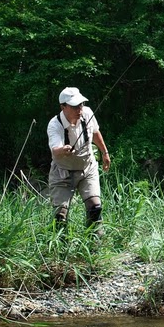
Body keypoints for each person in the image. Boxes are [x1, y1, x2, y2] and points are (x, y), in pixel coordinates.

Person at [47, 87, 111, 235]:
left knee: (95, 208)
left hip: (88, 168)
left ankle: (95, 247)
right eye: (75, 106)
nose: (79, 108)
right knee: (60, 217)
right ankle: (60, 251)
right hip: (62, 173)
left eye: (81, 104)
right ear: (63, 107)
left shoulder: (87, 113)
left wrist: (105, 153)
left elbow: (95, 133)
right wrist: (63, 150)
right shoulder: (54, 124)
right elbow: (55, 151)